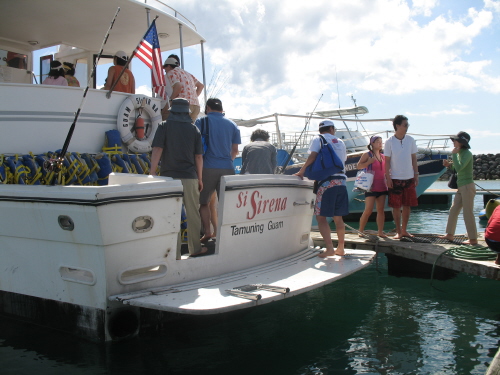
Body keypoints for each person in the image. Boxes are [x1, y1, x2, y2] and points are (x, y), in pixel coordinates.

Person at [150, 98, 206, 257]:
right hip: (190, 176)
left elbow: (157, 149)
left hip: (168, 178)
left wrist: (152, 172)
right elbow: (199, 157)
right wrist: (200, 179)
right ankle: (195, 248)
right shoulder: (193, 129)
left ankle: (172, 252)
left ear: (172, 110)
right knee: (192, 213)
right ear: (187, 112)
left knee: (170, 214)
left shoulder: (164, 126)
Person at [294, 120, 348, 257]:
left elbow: (313, 156)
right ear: (331, 129)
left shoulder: (318, 139)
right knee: (338, 218)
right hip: (341, 182)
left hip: (326, 182)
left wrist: (302, 171)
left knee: (321, 217)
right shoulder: (340, 142)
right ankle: (341, 248)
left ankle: (329, 248)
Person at [195, 98, 241, 243]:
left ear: (207, 107)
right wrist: (228, 161)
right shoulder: (233, 125)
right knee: (226, 204)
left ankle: (208, 232)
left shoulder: (201, 122)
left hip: (207, 167)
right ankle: (225, 234)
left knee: (204, 202)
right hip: (228, 167)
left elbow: (197, 149)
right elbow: (235, 150)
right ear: (221, 108)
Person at [438, 132, 478, 245]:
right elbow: (457, 167)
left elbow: (460, 168)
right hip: (461, 187)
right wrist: (449, 165)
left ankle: (473, 239)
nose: (453, 142)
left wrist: (454, 155)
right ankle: (450, 234)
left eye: (455, 140)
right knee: (453, 210)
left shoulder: (467, 153)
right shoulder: (460, 153)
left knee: (467, 212)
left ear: (461, 142)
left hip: (467, 186)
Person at [384, 115, 418, 239]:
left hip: (409, 177)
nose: (407, 127)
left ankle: (404, 230)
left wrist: (416, 174)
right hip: (395, 177)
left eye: (407, 125)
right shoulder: (389, 142)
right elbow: (386, 161)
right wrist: (387, 177)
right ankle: (398, 231)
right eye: (405, 125)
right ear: (397, 126)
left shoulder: (411, 140)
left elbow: (414, 158)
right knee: (396, 206)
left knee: (407, 205)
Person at [357, 135, 388, 237]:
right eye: (378, 141)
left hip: (382, 186)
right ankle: (360, 230)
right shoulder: (367, 155)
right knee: (368, 210)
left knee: (381, 210)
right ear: (372, 143)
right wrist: (369, 162)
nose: (380, 143)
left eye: (381, 141)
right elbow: (358, 166)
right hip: (370, 186)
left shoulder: (383, 156)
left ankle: (380, 232)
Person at [163, 57, 204, 122]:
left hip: (183, 106)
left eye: (165, 68)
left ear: (168, 66)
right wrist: (193, 97)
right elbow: (201, 86)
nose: (165, 71)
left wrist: (170, 102)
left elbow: (178, 86)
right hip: (196, 106)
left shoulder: (171, 72)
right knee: (188, 130)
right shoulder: (187, 74)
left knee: (165, 118)